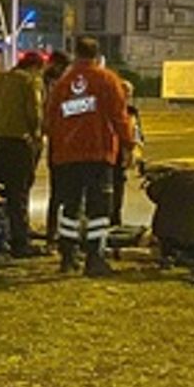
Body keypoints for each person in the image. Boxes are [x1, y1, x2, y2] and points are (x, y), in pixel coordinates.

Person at [44, 36, 133, 277]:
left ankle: (67, 256)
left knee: (70, 207)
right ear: (97, 55)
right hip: (98, 153)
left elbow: (50, 119)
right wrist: (128, 145)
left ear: (76, 54)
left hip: (67, 155)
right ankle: (94, 257)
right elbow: (119, 116)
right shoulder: (107, 79)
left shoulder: (63, 83)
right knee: (99, 208)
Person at [0, 52, 45, 258]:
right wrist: (37, 135)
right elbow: (34, 113)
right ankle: (20, 243)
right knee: (18, 195)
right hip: (19, 143)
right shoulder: (28, 82)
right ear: (35, 67)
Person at [42, 50, 71, 245]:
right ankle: (59, 235)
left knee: (58, 194)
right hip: (65, 144)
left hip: (57, 144)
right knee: (66, 195)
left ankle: (53, 234)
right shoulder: (61, 86)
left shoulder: (49, 83)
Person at [111, 79, 145, 227]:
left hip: (123, 154)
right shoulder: (109, 109)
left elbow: (137, 131)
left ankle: (115, 217)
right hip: (110, 152)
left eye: (129, 94)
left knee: (119, 185)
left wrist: (137, 147)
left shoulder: (132, 111)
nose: (126, 96)